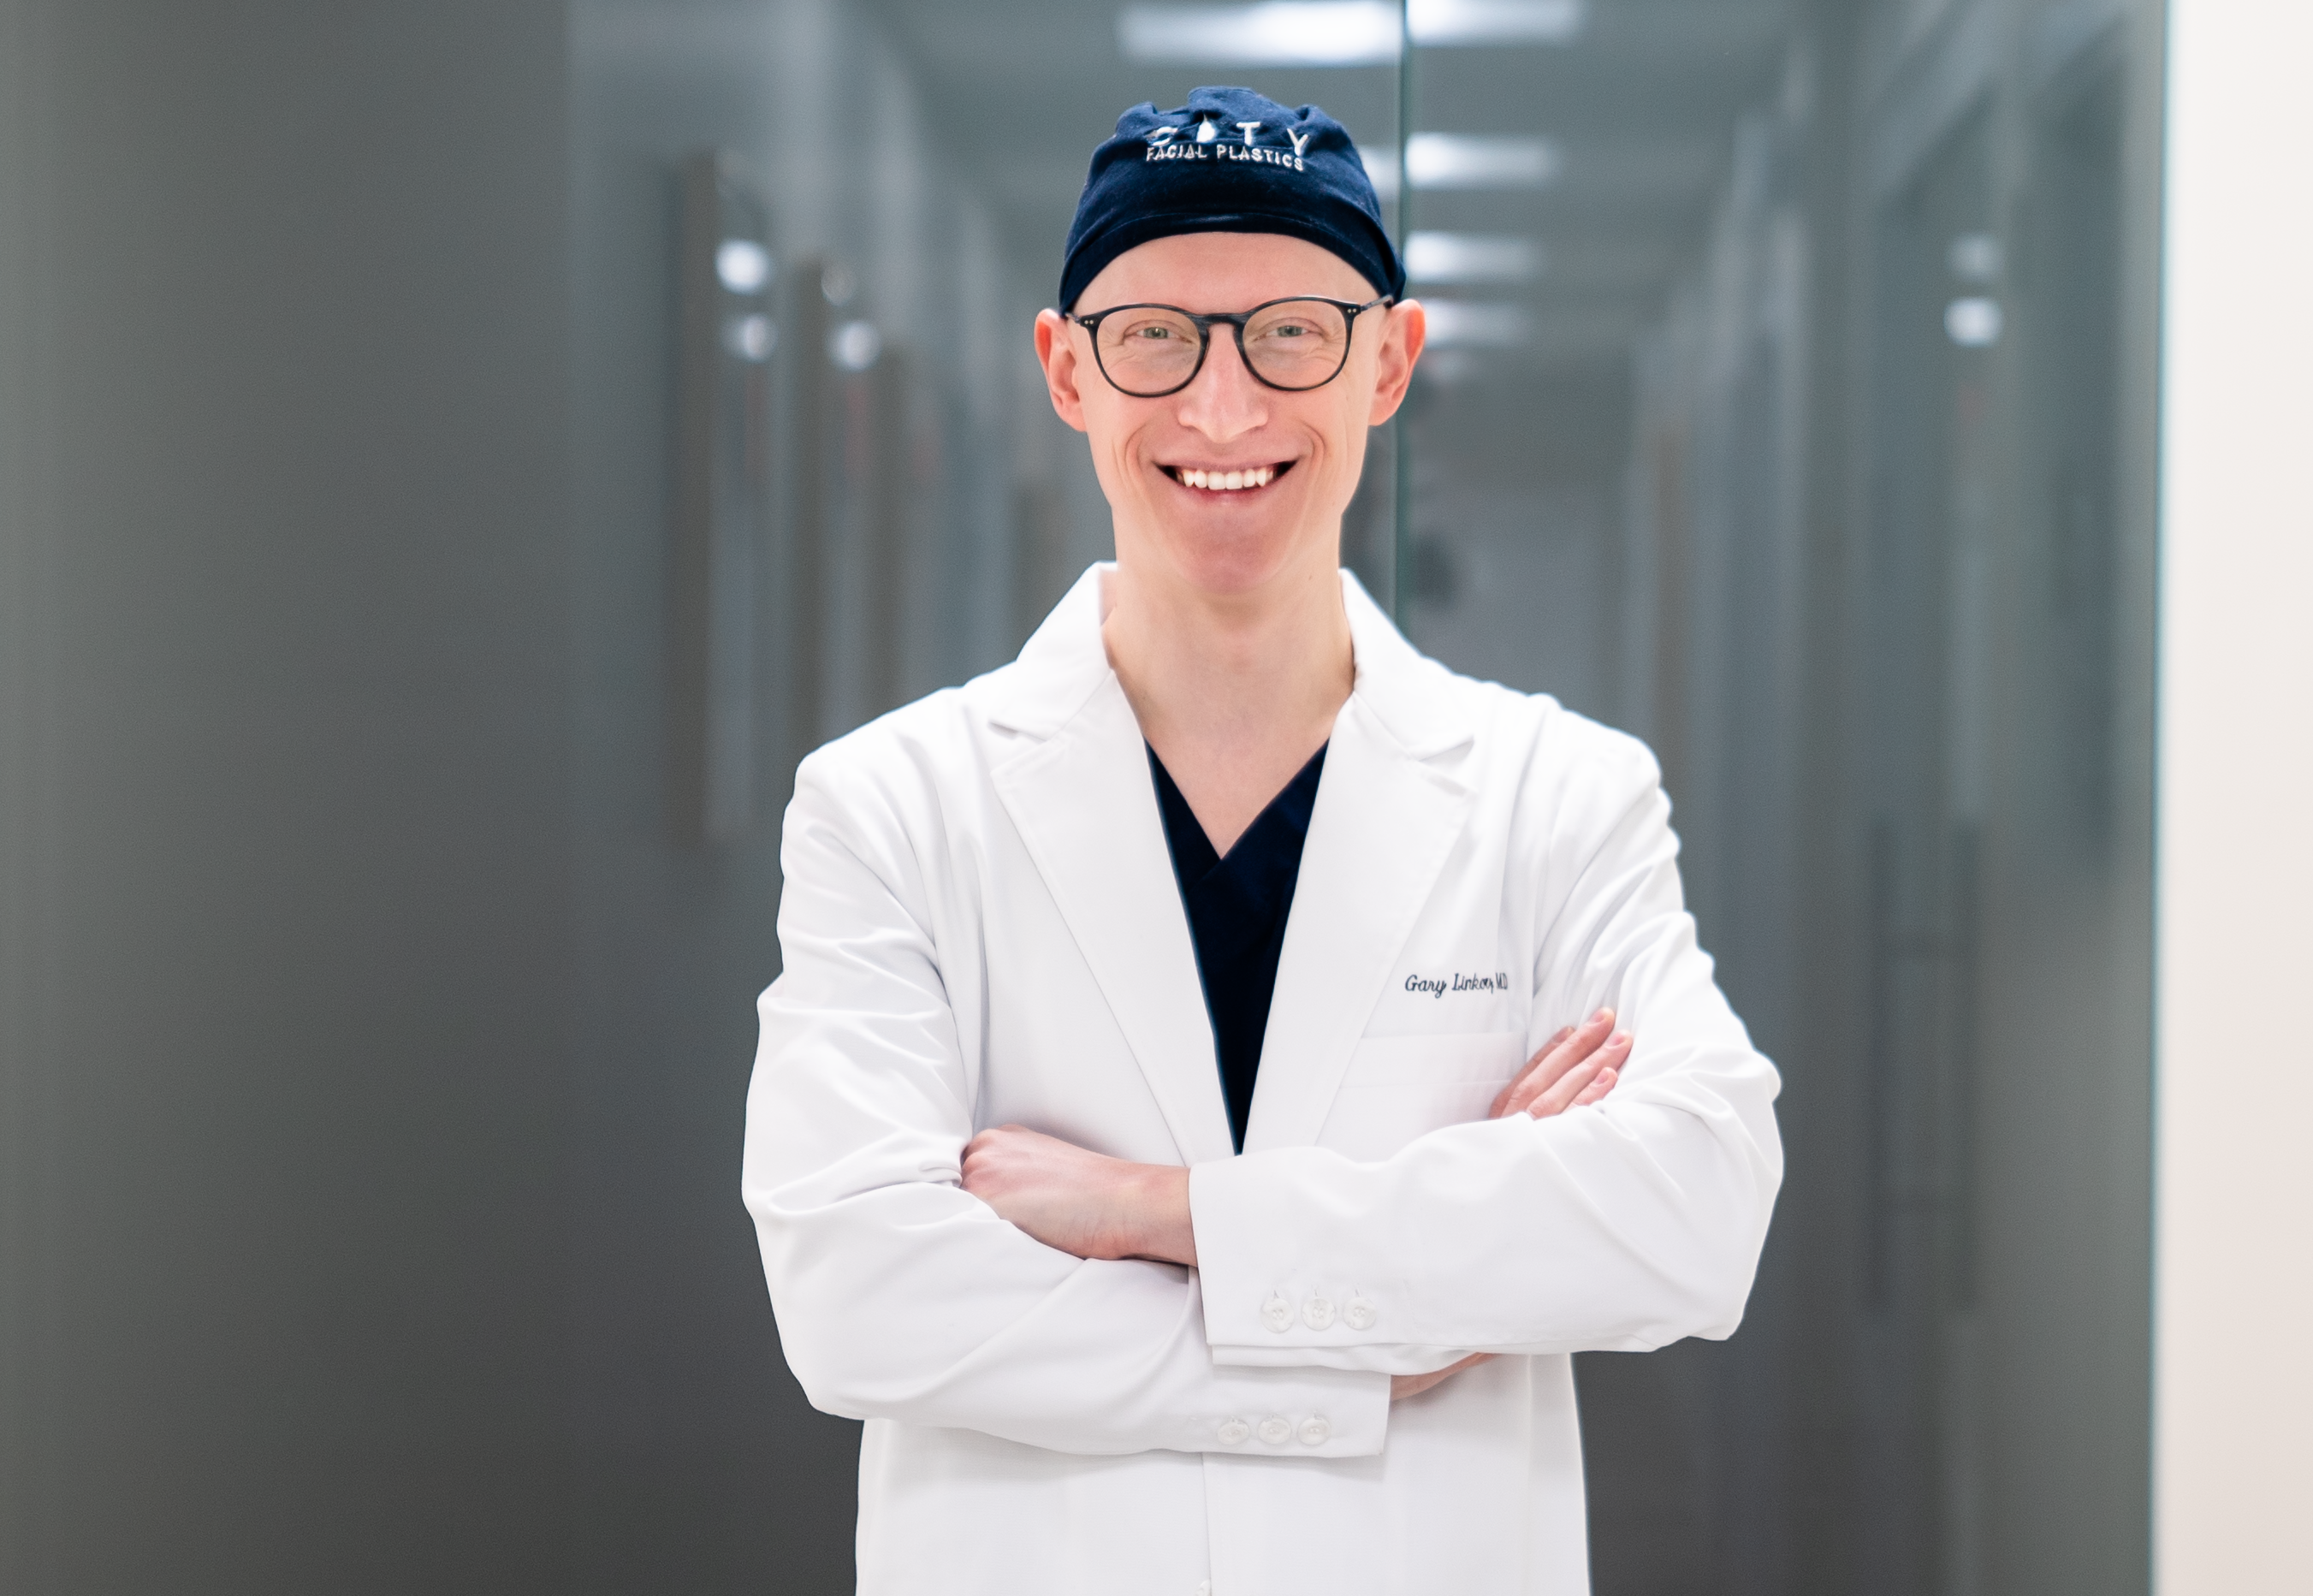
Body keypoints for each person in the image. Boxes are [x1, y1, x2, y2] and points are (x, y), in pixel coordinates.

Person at [743, 86, 1782, 1596]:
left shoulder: (1557, 796)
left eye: (1290, 333)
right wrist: (1377, 1333)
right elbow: (857, 1298)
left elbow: (1694, 1207)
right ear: (1066, 371)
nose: (1221, 409)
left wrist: (1153, 1216)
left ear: (1388, 362)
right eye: (1153, 337)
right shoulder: (894, 805)